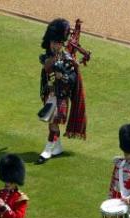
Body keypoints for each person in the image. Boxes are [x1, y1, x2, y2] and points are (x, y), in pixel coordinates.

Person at [36, 18, 86, 164]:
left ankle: (47, 150)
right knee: (52, 122)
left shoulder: (68, 59)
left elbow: (71, 79)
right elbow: (46, 65)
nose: (54, 45)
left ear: (61, 43)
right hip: (49, 94)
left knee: (53, 121)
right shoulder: (47, 57)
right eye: (53, 42)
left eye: (57, 43)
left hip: (61, 96)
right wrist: (56, 61)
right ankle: (57, 147)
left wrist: (62, 76)